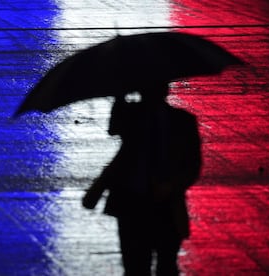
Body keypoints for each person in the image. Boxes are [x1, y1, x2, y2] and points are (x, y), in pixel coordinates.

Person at [82, 83, 202, 276]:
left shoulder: (182, 121)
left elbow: (193, 167)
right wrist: (120, 98)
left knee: (164, 266)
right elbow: (114, 128)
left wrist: (171, 187)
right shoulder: (133, 114)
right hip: (134, 204)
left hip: (164, 205)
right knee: (137, 266)